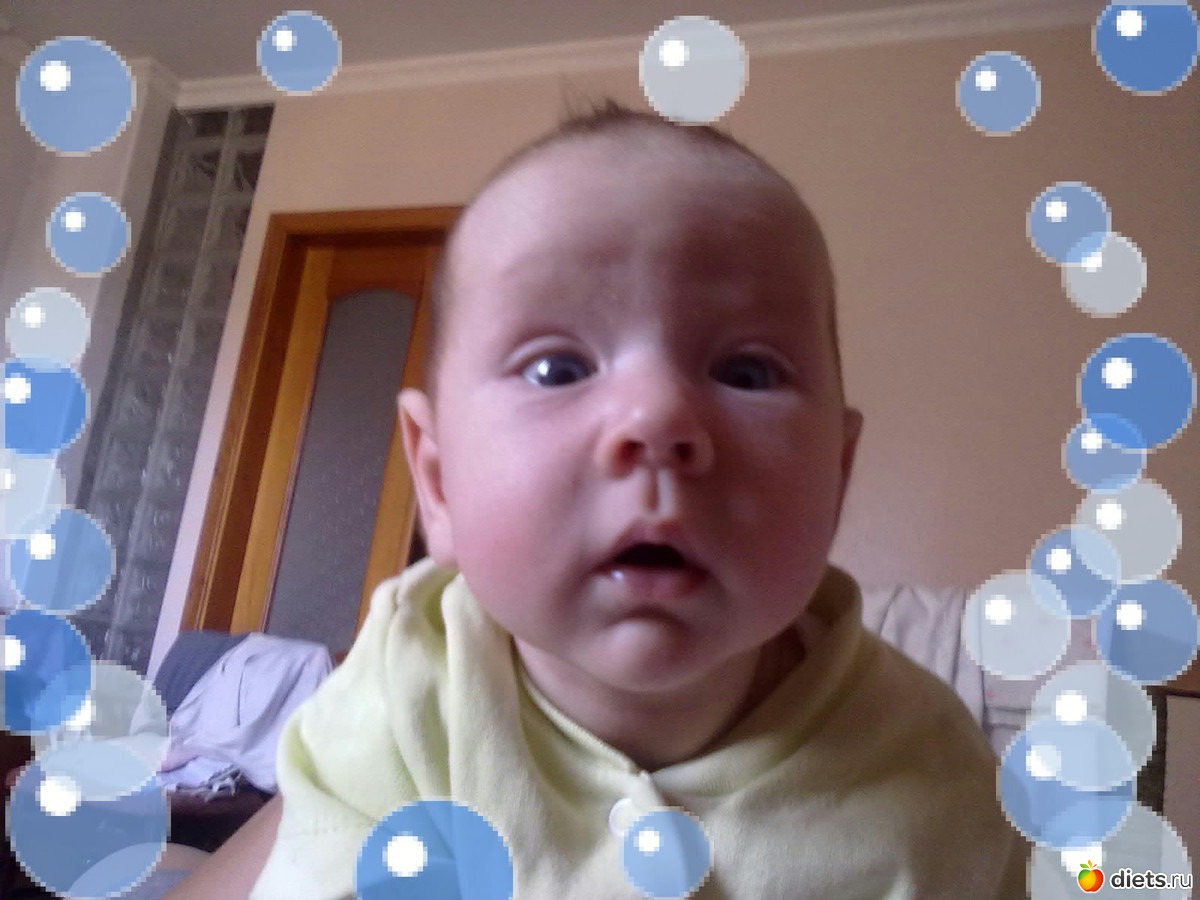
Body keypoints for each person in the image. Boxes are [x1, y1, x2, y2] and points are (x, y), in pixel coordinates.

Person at [171, 99, 1028, 899]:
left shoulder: (929, 769)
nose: (657, 419)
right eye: (557, 368)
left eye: (747, 371)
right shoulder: (403, 694)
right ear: (437, 483)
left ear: (837, 477)